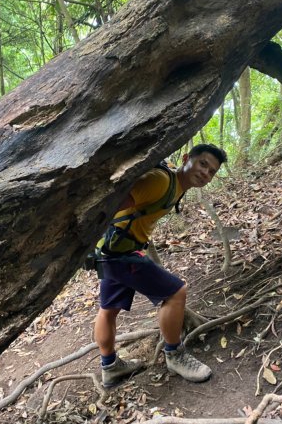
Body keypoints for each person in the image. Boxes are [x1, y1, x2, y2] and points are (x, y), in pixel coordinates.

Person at [94, 143, 228, 387]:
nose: (206, 173)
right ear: (187, 158)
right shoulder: (160, 181)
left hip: (110, 252)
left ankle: (110, 367)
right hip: (121, 253)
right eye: (203, 164)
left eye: (212, 171)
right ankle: (175, 355)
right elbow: (109, 206)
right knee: (176, 293)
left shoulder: (175, 185)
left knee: (109, 308)